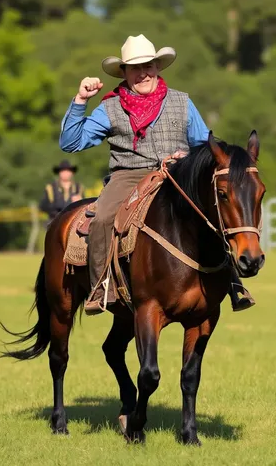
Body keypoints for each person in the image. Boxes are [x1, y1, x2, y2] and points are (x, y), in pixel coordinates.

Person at [59, 34, 254, 315]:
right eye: (135, 68)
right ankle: (102, 286)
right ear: (124, 72)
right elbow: (70, 142)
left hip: (178, 174)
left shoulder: (182, 102)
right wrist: (80, 101)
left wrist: (196, 160)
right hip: (128, 175)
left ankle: (233, 283)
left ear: (158, 67)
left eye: (148, 66)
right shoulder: (109, 107)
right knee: (102, 218)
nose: (142, 73)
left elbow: (204, 144)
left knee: (214, 211)